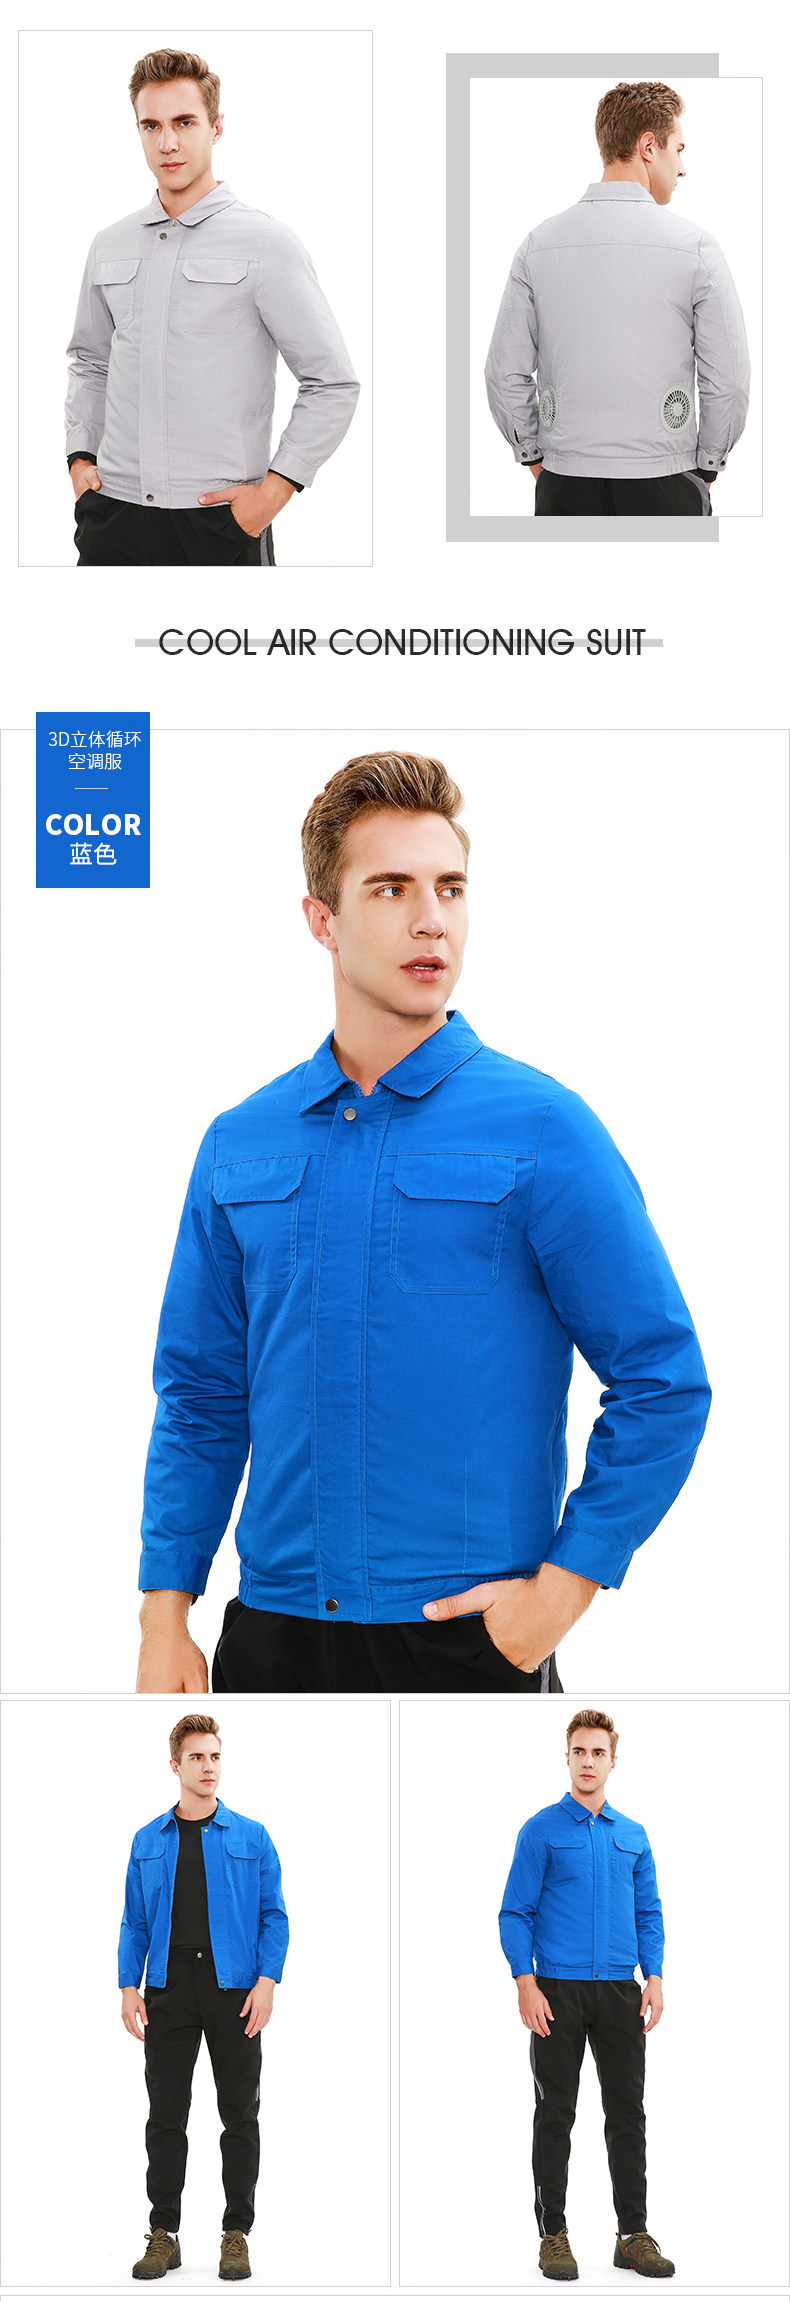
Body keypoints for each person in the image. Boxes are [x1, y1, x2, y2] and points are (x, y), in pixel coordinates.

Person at [135, 751, 710, 1696]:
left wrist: (560, 1594)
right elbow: (200, 1396)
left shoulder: (543, 1128)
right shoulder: (240, 1143)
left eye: (450, 887)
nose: (431, 918)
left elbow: (663, 1379)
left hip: (470, 1641)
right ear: (322, 919)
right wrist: (165, 1613)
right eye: (391, 887)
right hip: (272, 1638)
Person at [65, 47, 359, 566]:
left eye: (184, 122)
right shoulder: (109, 245)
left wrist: (273, 492)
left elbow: (332, 381)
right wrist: (79, 458)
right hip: (113, 515)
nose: (168, 143)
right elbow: (90, 362)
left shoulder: (267, 244)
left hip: (218, 521)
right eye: (152, 126)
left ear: (216, 126)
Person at [485, 80, 749, 517]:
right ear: (649, 147)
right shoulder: (697, 250)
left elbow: (503, 372)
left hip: (564, 483)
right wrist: (706, 466)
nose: (682, 167)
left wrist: (536, 458)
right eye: (678, 149)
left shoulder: (538, 246)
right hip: (666, 484)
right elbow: (729, 380)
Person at [499, 1710, 674, 2281]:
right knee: (555, 2113)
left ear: (613, 1761)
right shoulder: (541, 1830)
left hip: (621, 1992)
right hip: (557, 1991)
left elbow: (649, 1911)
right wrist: (525, 1983)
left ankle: (633, 2235)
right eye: (580, 1751)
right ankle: (553, 2235)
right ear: (568, 1758)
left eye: (599, 1752)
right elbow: (515, 1912)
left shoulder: (633, 1835)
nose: (589, 1761)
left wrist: (654, 1977)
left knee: (628, 2114)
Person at [119, 1713, 288, 2281]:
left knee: (240, 2114)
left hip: (234, 1990)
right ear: (176, 1766)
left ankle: (236, 2233)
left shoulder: (252, 1836)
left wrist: (267, 1982)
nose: (208, 1766)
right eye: (196, 1757)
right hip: (168, 1990)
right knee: (166, 2115)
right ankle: (163, 2233)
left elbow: (274, 1915)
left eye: (215, 1756)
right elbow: (134, 1922)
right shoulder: (148, 1840)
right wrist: (129, 1986)